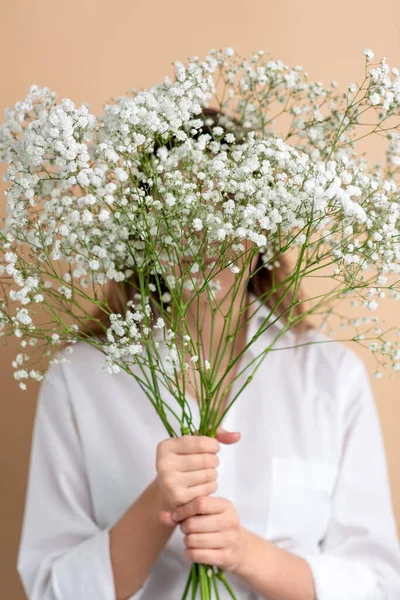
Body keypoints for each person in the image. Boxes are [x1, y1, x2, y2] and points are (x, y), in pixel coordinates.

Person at [17, 108, 400, 600]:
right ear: (146, 232)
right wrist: (160, 503)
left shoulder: (328, 375)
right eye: (181, 206)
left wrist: (248, 554)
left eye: (227, 203)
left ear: (260, 226)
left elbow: (378, 584)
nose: (206, 232)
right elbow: (51, 588)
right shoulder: (80, 379)